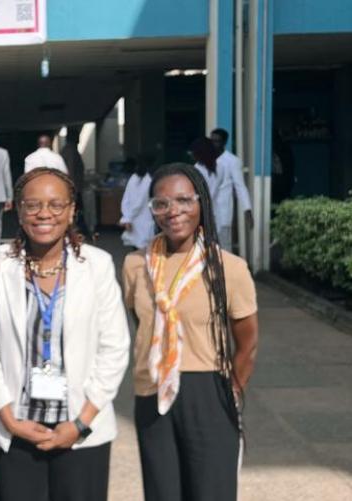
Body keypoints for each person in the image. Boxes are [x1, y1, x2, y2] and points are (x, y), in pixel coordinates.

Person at [0, 167, 130, 501]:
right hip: (16, 426)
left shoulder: (97, 265)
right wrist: (10, 421)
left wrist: (81, 423)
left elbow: (114, 348)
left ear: (72, 210)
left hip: (80, 427)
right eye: (33, 205)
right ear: (18, 209)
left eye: (56, 205)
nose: (45, 213)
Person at [122, 163, 259, 501]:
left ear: (202, 204)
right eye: (162, 203)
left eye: (184, 201)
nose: (173, 212)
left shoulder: (229, 268)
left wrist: (233, 392)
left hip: (208, 390)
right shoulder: (134, 265)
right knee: (162, 492)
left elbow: (248, 342)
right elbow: (142, 324)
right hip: (152, 390)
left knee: (210, 492)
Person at [210, 129, 254, 250]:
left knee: (224, 248)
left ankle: (227, 269)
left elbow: (240, 186)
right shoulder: (204, 159)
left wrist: (247, 210)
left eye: (217, 141)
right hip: (207, 212)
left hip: (223, 212)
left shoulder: (232, 161)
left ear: (224, 143)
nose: (213, 144)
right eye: (211, 141)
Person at [119, 155, 156, 250]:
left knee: (138, 248)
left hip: (137, 220)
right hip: (140, 221)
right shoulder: (147, 180)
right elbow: (138, 203)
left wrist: (127, 217)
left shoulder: (135, 178)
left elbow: (126, 200)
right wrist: (127, 218)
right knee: (141, 249)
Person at [60, 128, 90, 237]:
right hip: (74, 188)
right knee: (76, 211)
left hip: (74, 187)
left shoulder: (68, 150)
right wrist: (73, 189)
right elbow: (71, 171)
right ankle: (74, 232)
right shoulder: (71, 151)